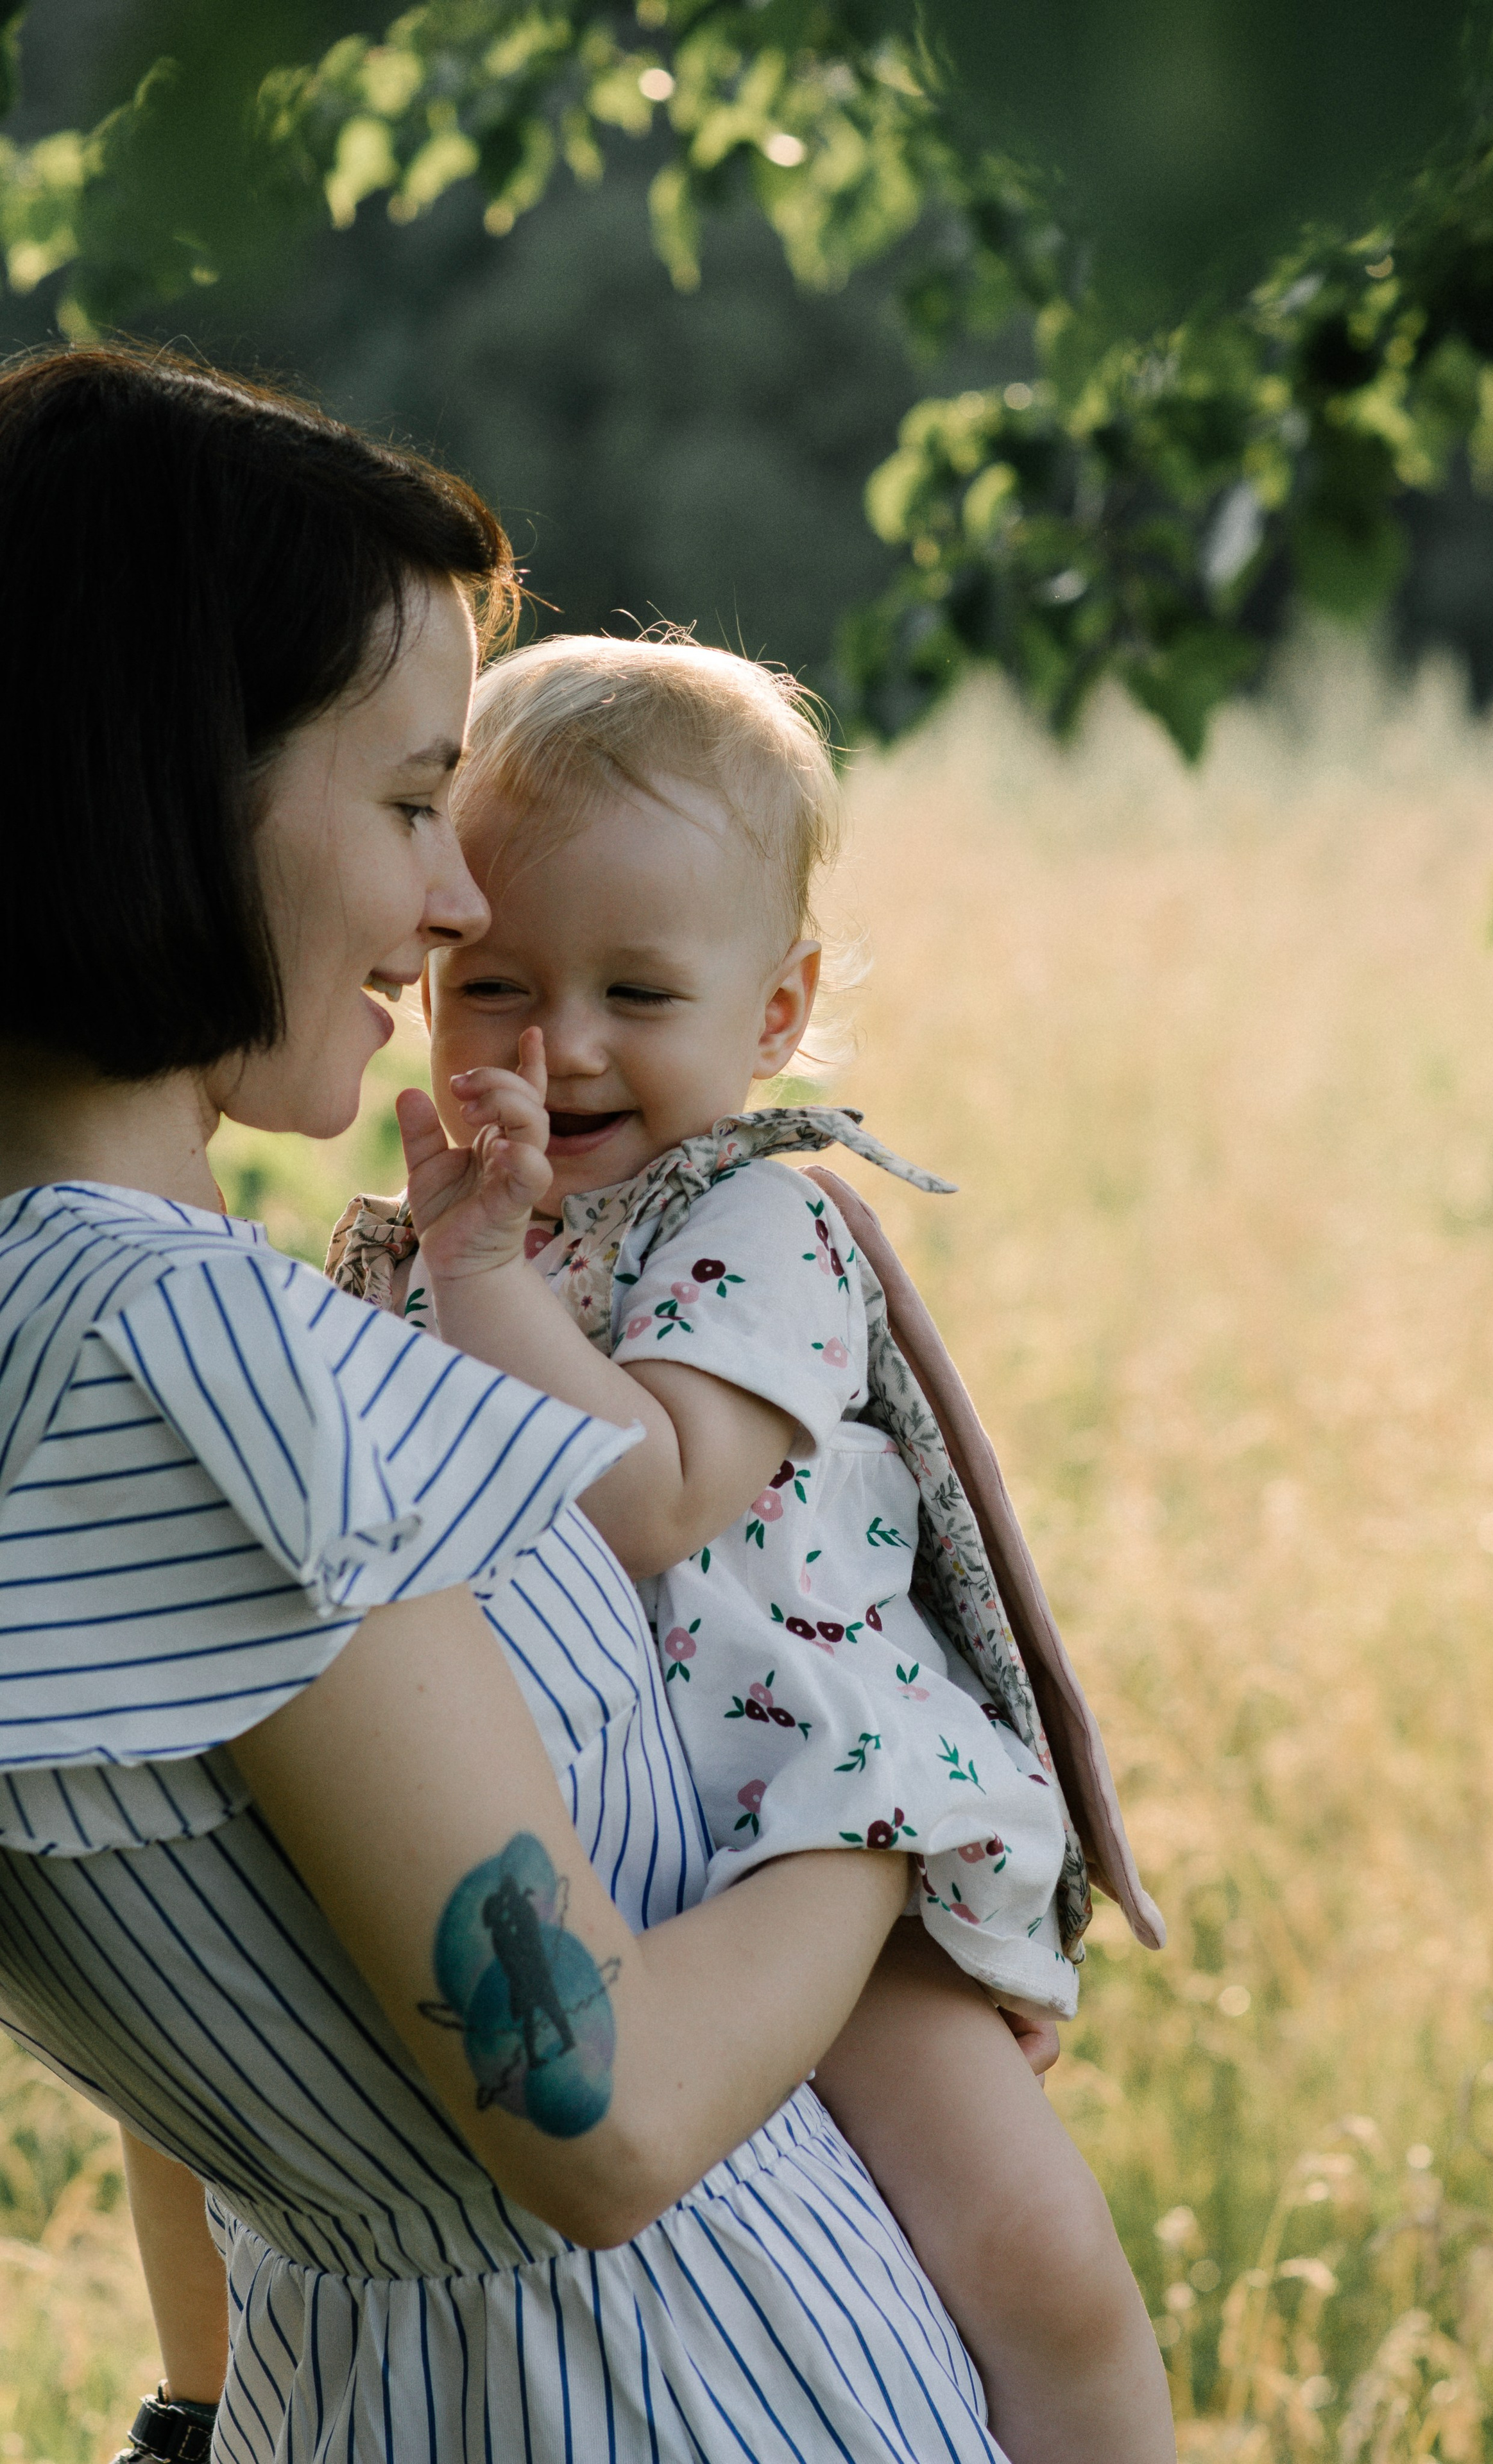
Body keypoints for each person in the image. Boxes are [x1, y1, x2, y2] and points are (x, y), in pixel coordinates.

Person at [0, 344, 1051, 2463]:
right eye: (407, 802)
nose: (460, 904)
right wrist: (885, 1804)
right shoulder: (207, 1373)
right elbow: (610, 2114)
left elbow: (217, 2008)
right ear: (171, 779)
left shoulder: (108, 1332)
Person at [325, 633, 1174, 2464]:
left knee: (1032, 2262)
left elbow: (657, 1493)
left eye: (641, 988)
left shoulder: (756, 1223)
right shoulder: (431, 1237)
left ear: (776, 1015)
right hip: (585, 1863)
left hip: (809, 1829)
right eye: (498, 989)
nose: (561, 1049)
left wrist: (480, 1280)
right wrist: (452, 1263)